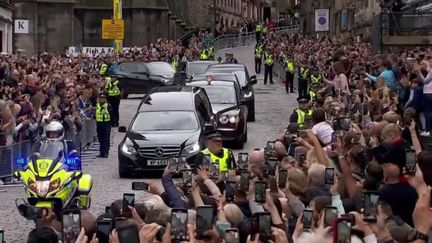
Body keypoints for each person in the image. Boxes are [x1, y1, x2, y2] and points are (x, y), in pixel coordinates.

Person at [95, 93, 111, 158]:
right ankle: (101, 153)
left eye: (103, 98)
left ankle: (105, 153)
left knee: (106, 139)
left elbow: (111, 114)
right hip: (99, 124)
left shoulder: (108, 106)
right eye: (101, 98)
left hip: (106, 124)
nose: (102, 99)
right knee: (100, 139)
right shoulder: (97, 105)